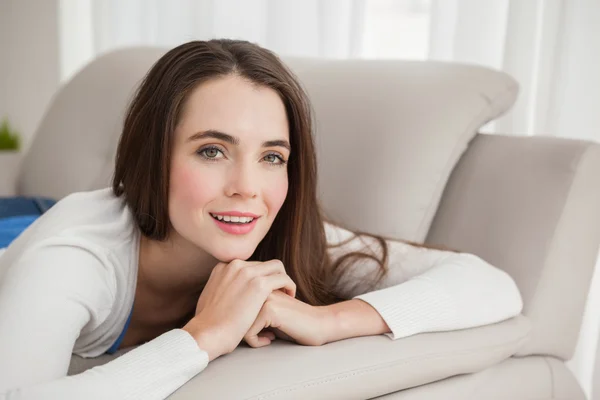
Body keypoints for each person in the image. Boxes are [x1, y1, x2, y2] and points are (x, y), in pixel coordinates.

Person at [0, 39, 523, 399]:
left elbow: (491, 285)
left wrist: (326, 321)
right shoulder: (71, 258)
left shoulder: (273, 228)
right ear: (152, 157)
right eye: (211, 151)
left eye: (272, 157)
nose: (247, 187)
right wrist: (203, 338)